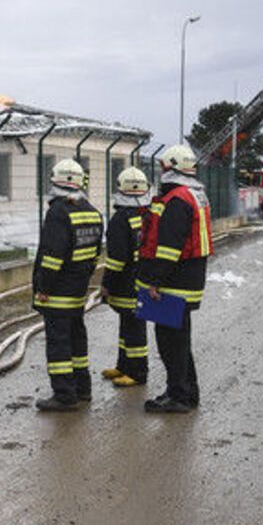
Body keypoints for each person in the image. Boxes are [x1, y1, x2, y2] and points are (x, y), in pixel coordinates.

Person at [135, 144, 212, 414]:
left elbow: (169, 247)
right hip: (187, 279)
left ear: (170, 168)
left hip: (174, 283)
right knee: (180, 341)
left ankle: (178, 395)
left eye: (162, 167)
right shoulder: (195, 194)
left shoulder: (177, 200)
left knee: (171, 343)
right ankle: (187, 392)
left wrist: (155, 280)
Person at [32, 159, 103, 411]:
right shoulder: (92, 211)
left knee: (59, 343)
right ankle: (83, 388)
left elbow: (52, 256)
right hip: (78, 288)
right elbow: (95, 253)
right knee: (77, 338)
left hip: (58, 291)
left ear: (56, 181)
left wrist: (43, 288)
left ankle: (64, 395)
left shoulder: (58, 212)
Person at [99, 166, 150, 388]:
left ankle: (137, 372)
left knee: (134, 327)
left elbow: (116, 260)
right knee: (127, 325)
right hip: (143, 278)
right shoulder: (148, 214)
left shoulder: (120, 219)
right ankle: (124, 365)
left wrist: (106, 284)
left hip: (127, 283)